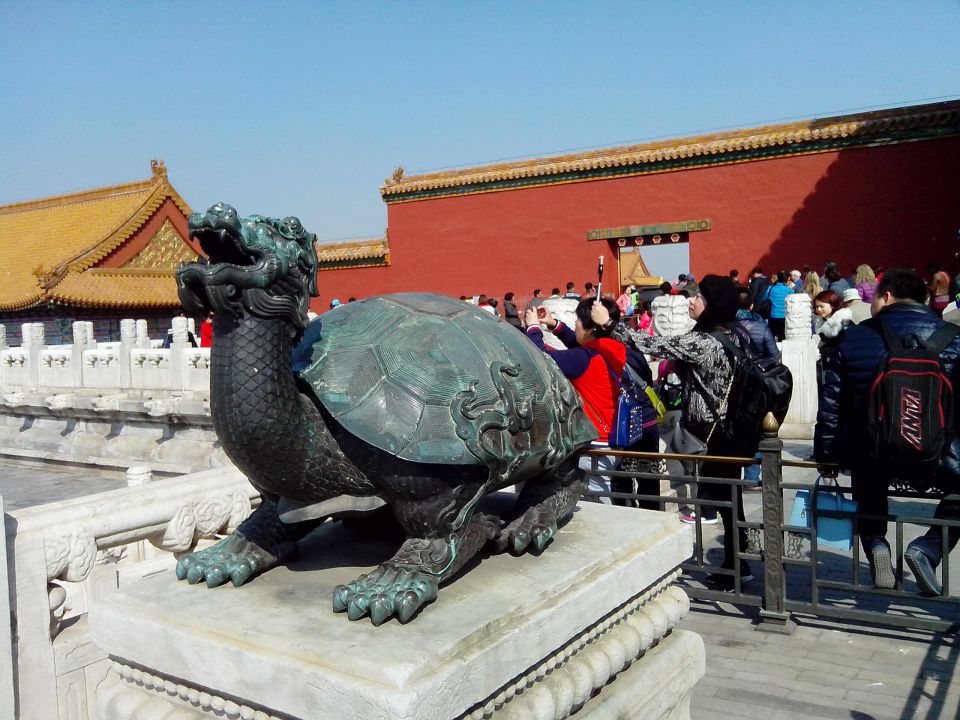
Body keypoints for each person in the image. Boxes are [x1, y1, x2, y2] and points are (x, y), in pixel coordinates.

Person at [592, 275, 754, 590]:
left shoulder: (704, 343)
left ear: (713, 305)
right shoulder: (735, 335)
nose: (690, 301)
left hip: (709, 436)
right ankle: (738, 564)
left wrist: (610, 323)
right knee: (730, 501)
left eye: (698, 297)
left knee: (723, 500)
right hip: (730, 432)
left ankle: (737, 566)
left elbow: (652, 344)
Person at [815, 269, 960, 594]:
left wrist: (826, 453)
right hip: (936, 455)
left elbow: (831, 402)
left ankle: (876, 542)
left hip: (872, 451)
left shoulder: (854, 337)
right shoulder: (952, 337)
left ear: (887, 297)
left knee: (868, 490)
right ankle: (929, 548)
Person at [522, 298, 659, 508]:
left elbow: (542, 358)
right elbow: (584, 345)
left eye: (578, 320)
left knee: (601, 499)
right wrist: (554, 325)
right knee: (620, 490)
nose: (575, 324)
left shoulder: (584, 359)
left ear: (591, 328)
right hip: (619, 436)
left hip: (599, 444)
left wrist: (532, 327)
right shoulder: (615, 347)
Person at [735, 288, 780, 488]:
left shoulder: (727, 327)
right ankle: (751, 478)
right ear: (751, 305)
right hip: (757, 385)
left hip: (733, 384)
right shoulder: (761, 327)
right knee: (758, 430)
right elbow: (774, 356)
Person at [763, 270, 794, 341]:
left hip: (773, 316)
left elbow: (764, 299)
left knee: (771, 338)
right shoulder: (789, 290)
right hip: (785, 317)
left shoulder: (770, 288)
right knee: (782, 338)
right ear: (787, 279)